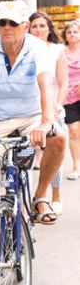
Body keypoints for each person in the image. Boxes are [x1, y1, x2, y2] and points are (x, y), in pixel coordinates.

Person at [0, 0, 66, 281]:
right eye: (2, 23)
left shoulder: (36, 47)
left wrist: (46, 122)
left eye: (13, 23)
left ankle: (40, 197)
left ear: (25, 27)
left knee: (57, 138)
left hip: (32, 115)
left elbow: (45, 84)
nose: (7, 28)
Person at [28, 11, 68, 214]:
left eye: (42, 26)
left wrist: (56, 107)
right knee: (25, 155)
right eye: (34, 26)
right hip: (28, 110)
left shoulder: (56, 50)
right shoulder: (24, 50)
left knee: (53, 149)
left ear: (49, 29)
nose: (38, 30)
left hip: (52, 108)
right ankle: (27, 200)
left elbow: (62, 84)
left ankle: (55, 195)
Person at [62, 20, 80, 180]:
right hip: (69, 97)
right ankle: (76, 166)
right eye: (69, 32)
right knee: (74, 131)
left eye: (75, 31)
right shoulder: (61, 52)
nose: (72, 34)